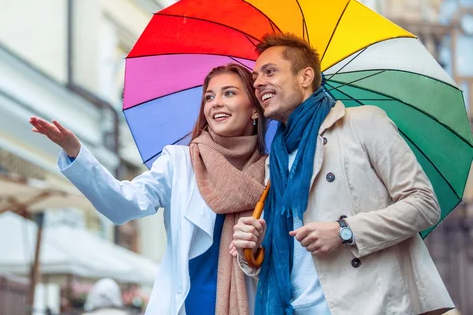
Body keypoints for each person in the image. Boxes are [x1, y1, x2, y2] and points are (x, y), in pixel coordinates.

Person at [231, 33, 453, 315]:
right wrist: (251, 249)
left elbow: (424, 203)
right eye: (255, 78)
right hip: (294, 308)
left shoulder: (364, 122)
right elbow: (283, 260)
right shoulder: (274, 160)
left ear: (305, 76)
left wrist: (345, 231)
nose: (258, 82)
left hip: (366, 304)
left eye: (270, 72)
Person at [30, 63, 268, 315]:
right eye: (209, 96)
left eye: (229, 93)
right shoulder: (181, 163)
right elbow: (122, 205)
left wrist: (259, 243)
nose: (216, 102)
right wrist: (76, 154)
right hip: (185, 306)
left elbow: (284, 258)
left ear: (254, 108)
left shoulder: (271, 172)